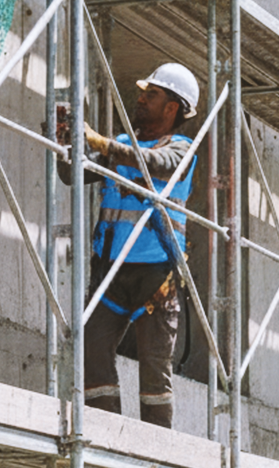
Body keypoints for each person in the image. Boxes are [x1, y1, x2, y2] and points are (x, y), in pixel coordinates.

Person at [58, 62, 200, 428]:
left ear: (172, 108)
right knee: (92, 350)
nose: (140, 99)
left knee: (154, 366)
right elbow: (73, 175)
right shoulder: (121, 145)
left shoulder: (180, 148)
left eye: (151, 94)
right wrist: (63, 142)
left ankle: (155, 449)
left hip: (156, 274)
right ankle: (109, 435)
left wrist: (101, 142)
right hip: (110, 270)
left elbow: (155, 163)